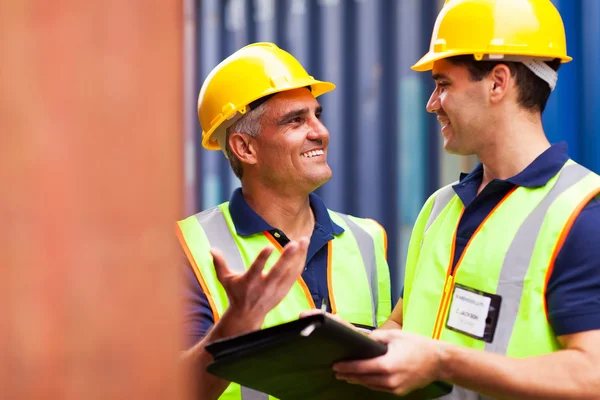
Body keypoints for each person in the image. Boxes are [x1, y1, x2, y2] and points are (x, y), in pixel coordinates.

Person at [332, 1, 600, 399]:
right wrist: (340, 345)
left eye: (443, 85)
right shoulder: (441, 207)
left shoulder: (582, 212)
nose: (431, 104)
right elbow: (407, 328)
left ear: (498, 82)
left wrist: (444, 361)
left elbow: (591, 374)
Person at [177, 42, 392, 400]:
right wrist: (238, 323)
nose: (319, 131)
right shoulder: (188, 247)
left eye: (316, 114)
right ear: (245, 148)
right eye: (296, 120)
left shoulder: (367, 238)